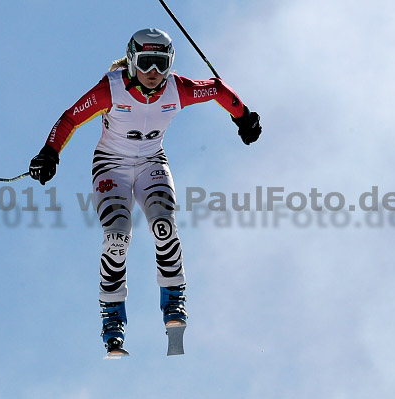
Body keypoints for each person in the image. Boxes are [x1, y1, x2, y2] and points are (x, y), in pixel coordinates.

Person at [29, 28, 262, 357]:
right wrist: (49, 153)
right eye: (146, 63)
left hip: (152, 161)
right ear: (131, 62)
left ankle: (173, 298)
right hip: (112, 166)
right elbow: (69, 119)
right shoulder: (110, 89)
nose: (153, 74)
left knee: (164, 226)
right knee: (117, 236)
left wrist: (244, 117)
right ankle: (113, 316)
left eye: (161, 64)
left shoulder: (176, 89)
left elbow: (215, 90)